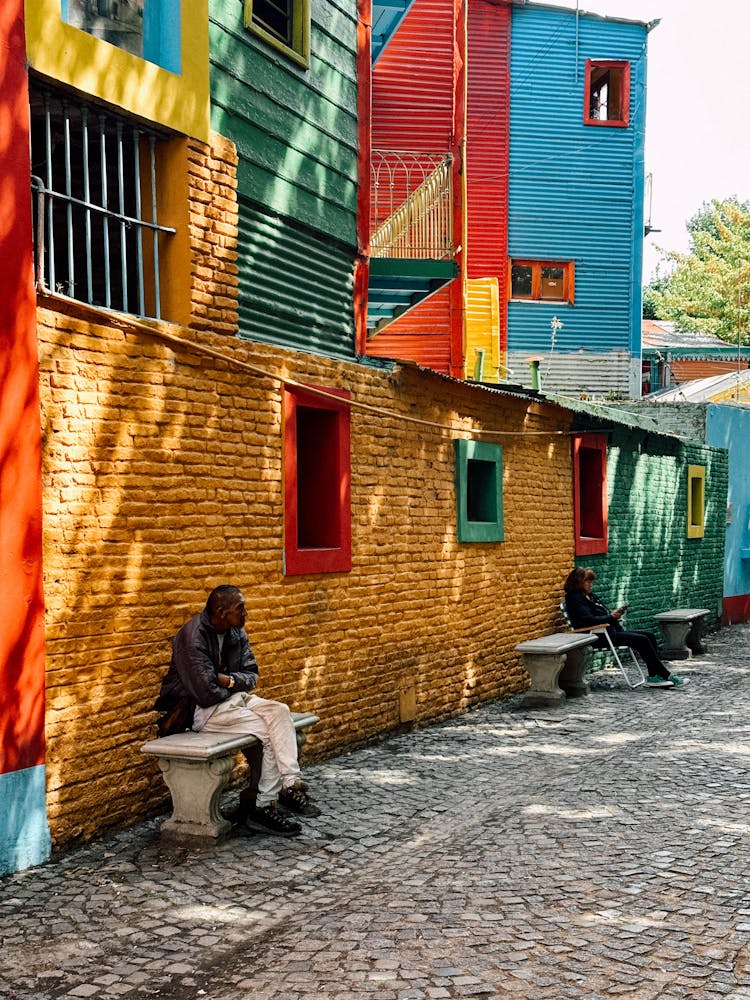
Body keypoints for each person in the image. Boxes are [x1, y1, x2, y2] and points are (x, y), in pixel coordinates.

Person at [155, 585, 320, 836]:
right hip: (204, 711)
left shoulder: (235, 632)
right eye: (240, 608)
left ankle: (289, 782)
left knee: (279, 711)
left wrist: (229, 681)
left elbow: (252, 674)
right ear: (221, 612)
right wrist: (230, 684)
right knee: (267, 732)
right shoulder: (193, 637)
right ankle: (263, 807)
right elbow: (205, 692)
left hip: (235, 698)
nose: (246, 613)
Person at [563, 567, 688, 689]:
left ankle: (654, 676)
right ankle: (667, 675)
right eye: (588, 582)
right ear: (578, 582)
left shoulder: (590, 596)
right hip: (597, 636)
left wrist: (614, 614)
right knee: (642, 640)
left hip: (609, 631)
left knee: (649, 635)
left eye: (591, 582)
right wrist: (611, 617)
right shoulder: (575, 599)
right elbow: (587, 621)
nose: (591, 585)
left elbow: (602, 614)